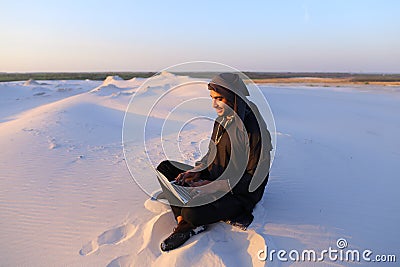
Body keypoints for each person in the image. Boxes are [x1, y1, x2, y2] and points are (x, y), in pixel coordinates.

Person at [157, 73, 272, 251]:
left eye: (219, 98)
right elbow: (212, 154)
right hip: (214, 175)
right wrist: (196, 171)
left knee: (191, 212)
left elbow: (254, 178)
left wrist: (213, 186)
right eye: (212, 98)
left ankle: (186, 221)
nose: (214, 104)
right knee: (165, 168)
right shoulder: (222, 120)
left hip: (238, 193)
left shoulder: (253, 129)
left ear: (234, 97)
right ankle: (183, 222)